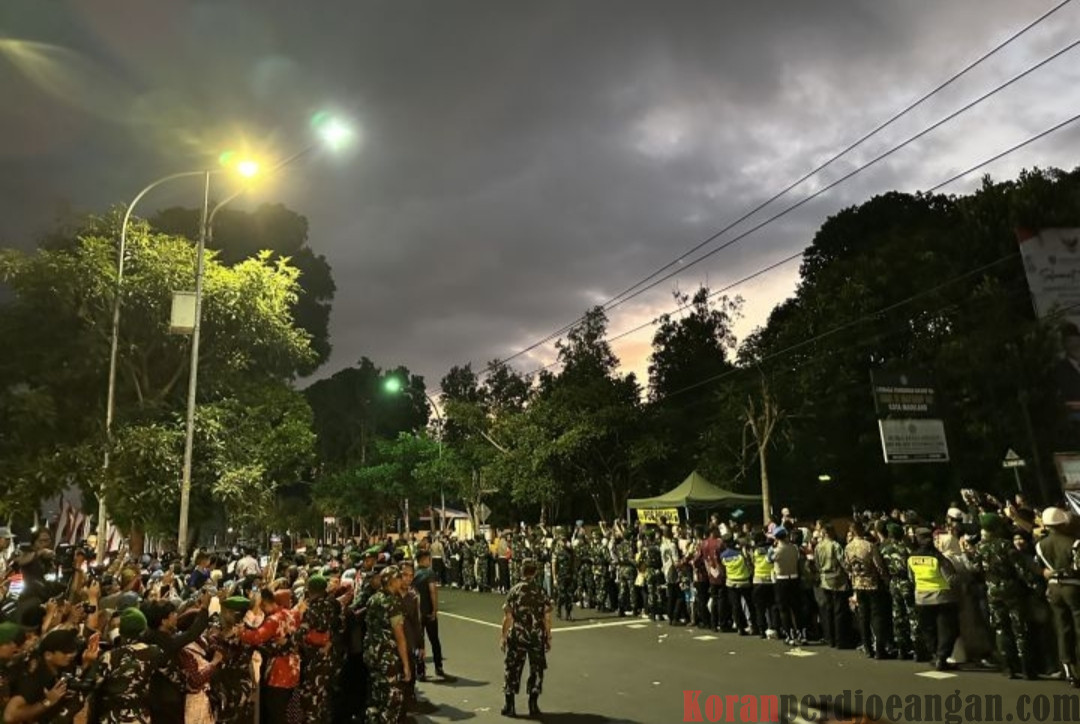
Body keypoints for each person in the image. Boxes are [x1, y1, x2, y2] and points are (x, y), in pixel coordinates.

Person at [968, 513, 1039, 679]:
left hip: (992, 591)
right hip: (1012, 590)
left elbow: (975, 569)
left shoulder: (980, 547)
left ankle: (1008, 668)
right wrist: (1033, 586)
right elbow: (1021, 570)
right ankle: (1027, 668)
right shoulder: (1006, 546)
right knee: (1020, 629)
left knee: (1001, 629)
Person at [4, 627, 98, 724]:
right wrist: (47, 702)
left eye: (73, 648)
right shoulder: (34, 677)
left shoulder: (62, 666)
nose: (72, 654)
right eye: (66, 651)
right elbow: (9, 716)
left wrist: (87, 662)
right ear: (48, 655)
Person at [238, 589, 304, 724]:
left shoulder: (274, 619)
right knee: (287, 710)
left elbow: (256, 637)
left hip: (280, 672)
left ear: (267, 602)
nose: (262, 609)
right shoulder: (293, 614)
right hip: (295, 668)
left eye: (262, 605)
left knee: (276, 712)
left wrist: (241, 632)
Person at [143, 596, 210, 724]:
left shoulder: (147, 636)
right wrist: (205, 608)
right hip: (168, 698)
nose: (176, 616)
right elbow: (192, 633)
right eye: (173, 614)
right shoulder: (166, 642)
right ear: (163, 621)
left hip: (152, 696)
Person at [500, 559, 551, 718]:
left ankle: (510, 705)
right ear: (535, 572)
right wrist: (548, 636)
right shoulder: (541, 591)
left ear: (522, 571)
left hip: (518, 635)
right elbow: (546, 617)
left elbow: (508, 616)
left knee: (512, 668)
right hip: (536, 636)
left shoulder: (514, 591)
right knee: (536, 669)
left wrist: (503, 636)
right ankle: (533, 704)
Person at [1035, 506, 1080, 686]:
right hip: (1074, 587)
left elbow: (1039, 567)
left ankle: (1068, 669)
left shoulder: (1040, 545)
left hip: (1053, 588)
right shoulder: (1074, 542)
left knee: (1062, 628)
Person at [97, 608, 165, 724]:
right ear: (144, 630)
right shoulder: (156, 652)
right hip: (140, 716)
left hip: (113, 717)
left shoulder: (109, 656)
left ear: (121, 632)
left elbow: (95, 683)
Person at [908, 527, 959, 671]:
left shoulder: (912, 557)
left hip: (922, 598)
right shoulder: (938, 557)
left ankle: (935, 655)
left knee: (928, 630)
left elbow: (911, 578)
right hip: (942, 597)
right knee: (947, 630)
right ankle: (942, 658)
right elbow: (951, 577)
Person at [363, 566, 410, 724]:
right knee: (392, 699)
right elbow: (399, 635)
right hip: (386, 656)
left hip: (371, 653)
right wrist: (406, 665)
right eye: (398, 578)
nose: (401, 581)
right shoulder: (392, 603)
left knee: (376, 696)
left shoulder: (373, 599)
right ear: (392, 581)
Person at [844, 521, 891, 659]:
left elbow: (847, 566)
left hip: (858, 584)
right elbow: (879, 566)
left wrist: (854, 575)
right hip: (872, 583)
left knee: (863, 616)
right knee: (876, 616)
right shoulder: (869, 546)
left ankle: (867, 647)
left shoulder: (848, 548)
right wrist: (885, 579)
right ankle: (880, 649)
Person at [879, 523, 921, 660]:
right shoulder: (907, 549)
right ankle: (917, 649)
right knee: (912, 615)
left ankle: (902, 648)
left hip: (893, 582)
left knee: (898, 615)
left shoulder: (885, 549)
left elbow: (882, 567)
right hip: (907, 582)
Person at [413, 551, 445, 679]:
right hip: (428, 612)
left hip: (417, 613)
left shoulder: (414, 574)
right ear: (425, 559)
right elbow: (432, 591)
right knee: (434, 640)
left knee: (419, 643)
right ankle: (438, 666)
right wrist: (435, 610)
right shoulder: (429, 573)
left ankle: (420, 670)